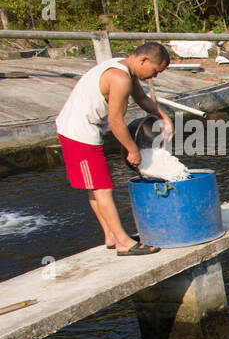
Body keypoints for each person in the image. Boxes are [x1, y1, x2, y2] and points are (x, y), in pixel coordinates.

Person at [55, 41, 174, 255]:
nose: (154, 77)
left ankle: (111, 235)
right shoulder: (120, 78)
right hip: (78, 134)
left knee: (96, 187)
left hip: (81, 130)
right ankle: (122, 243)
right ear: (143, 60)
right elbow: (116, 120)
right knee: (103, 188)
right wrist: (133, 150)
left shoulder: (123, 68)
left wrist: (164, 116)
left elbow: (142, 99)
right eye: (155, 71)